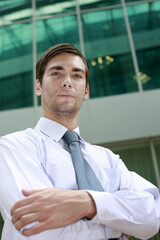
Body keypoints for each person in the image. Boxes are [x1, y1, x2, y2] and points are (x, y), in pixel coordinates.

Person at [0, 43, 159, 240]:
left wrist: (89, 203)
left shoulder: (108, 159)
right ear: (38, 86)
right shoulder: (14, 147)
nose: (67, 81)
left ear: (85, 91)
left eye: (77, 75)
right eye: (56, 74)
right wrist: (118, 222)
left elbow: (153, 214)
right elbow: (37, 228)